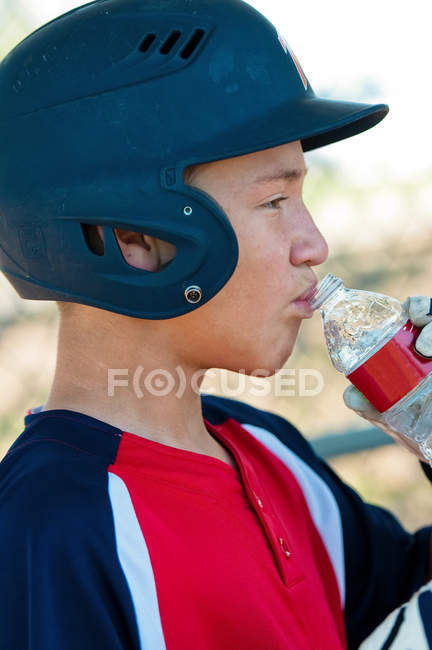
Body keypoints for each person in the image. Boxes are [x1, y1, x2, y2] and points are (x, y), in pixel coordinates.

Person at [0, 1, 430, 648]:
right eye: (276, 200)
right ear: (134, 239)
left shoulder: (266, 447)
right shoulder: (55, 527)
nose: (314, 245)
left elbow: (398, 605)